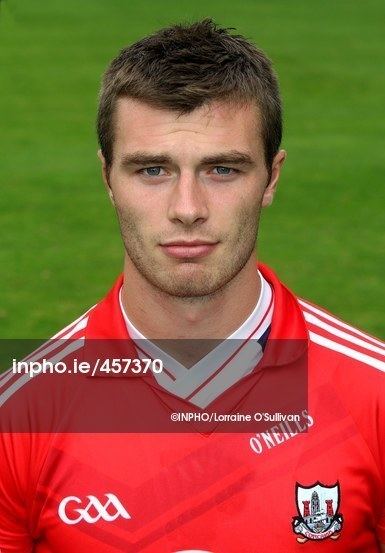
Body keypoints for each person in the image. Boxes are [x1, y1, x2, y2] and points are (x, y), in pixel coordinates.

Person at [0, 18, 384, 552]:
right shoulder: (20, 417)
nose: (187, 209)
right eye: (152, 170)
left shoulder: (374, 397)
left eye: (222, 170)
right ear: (107, 178)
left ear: (271, 178)